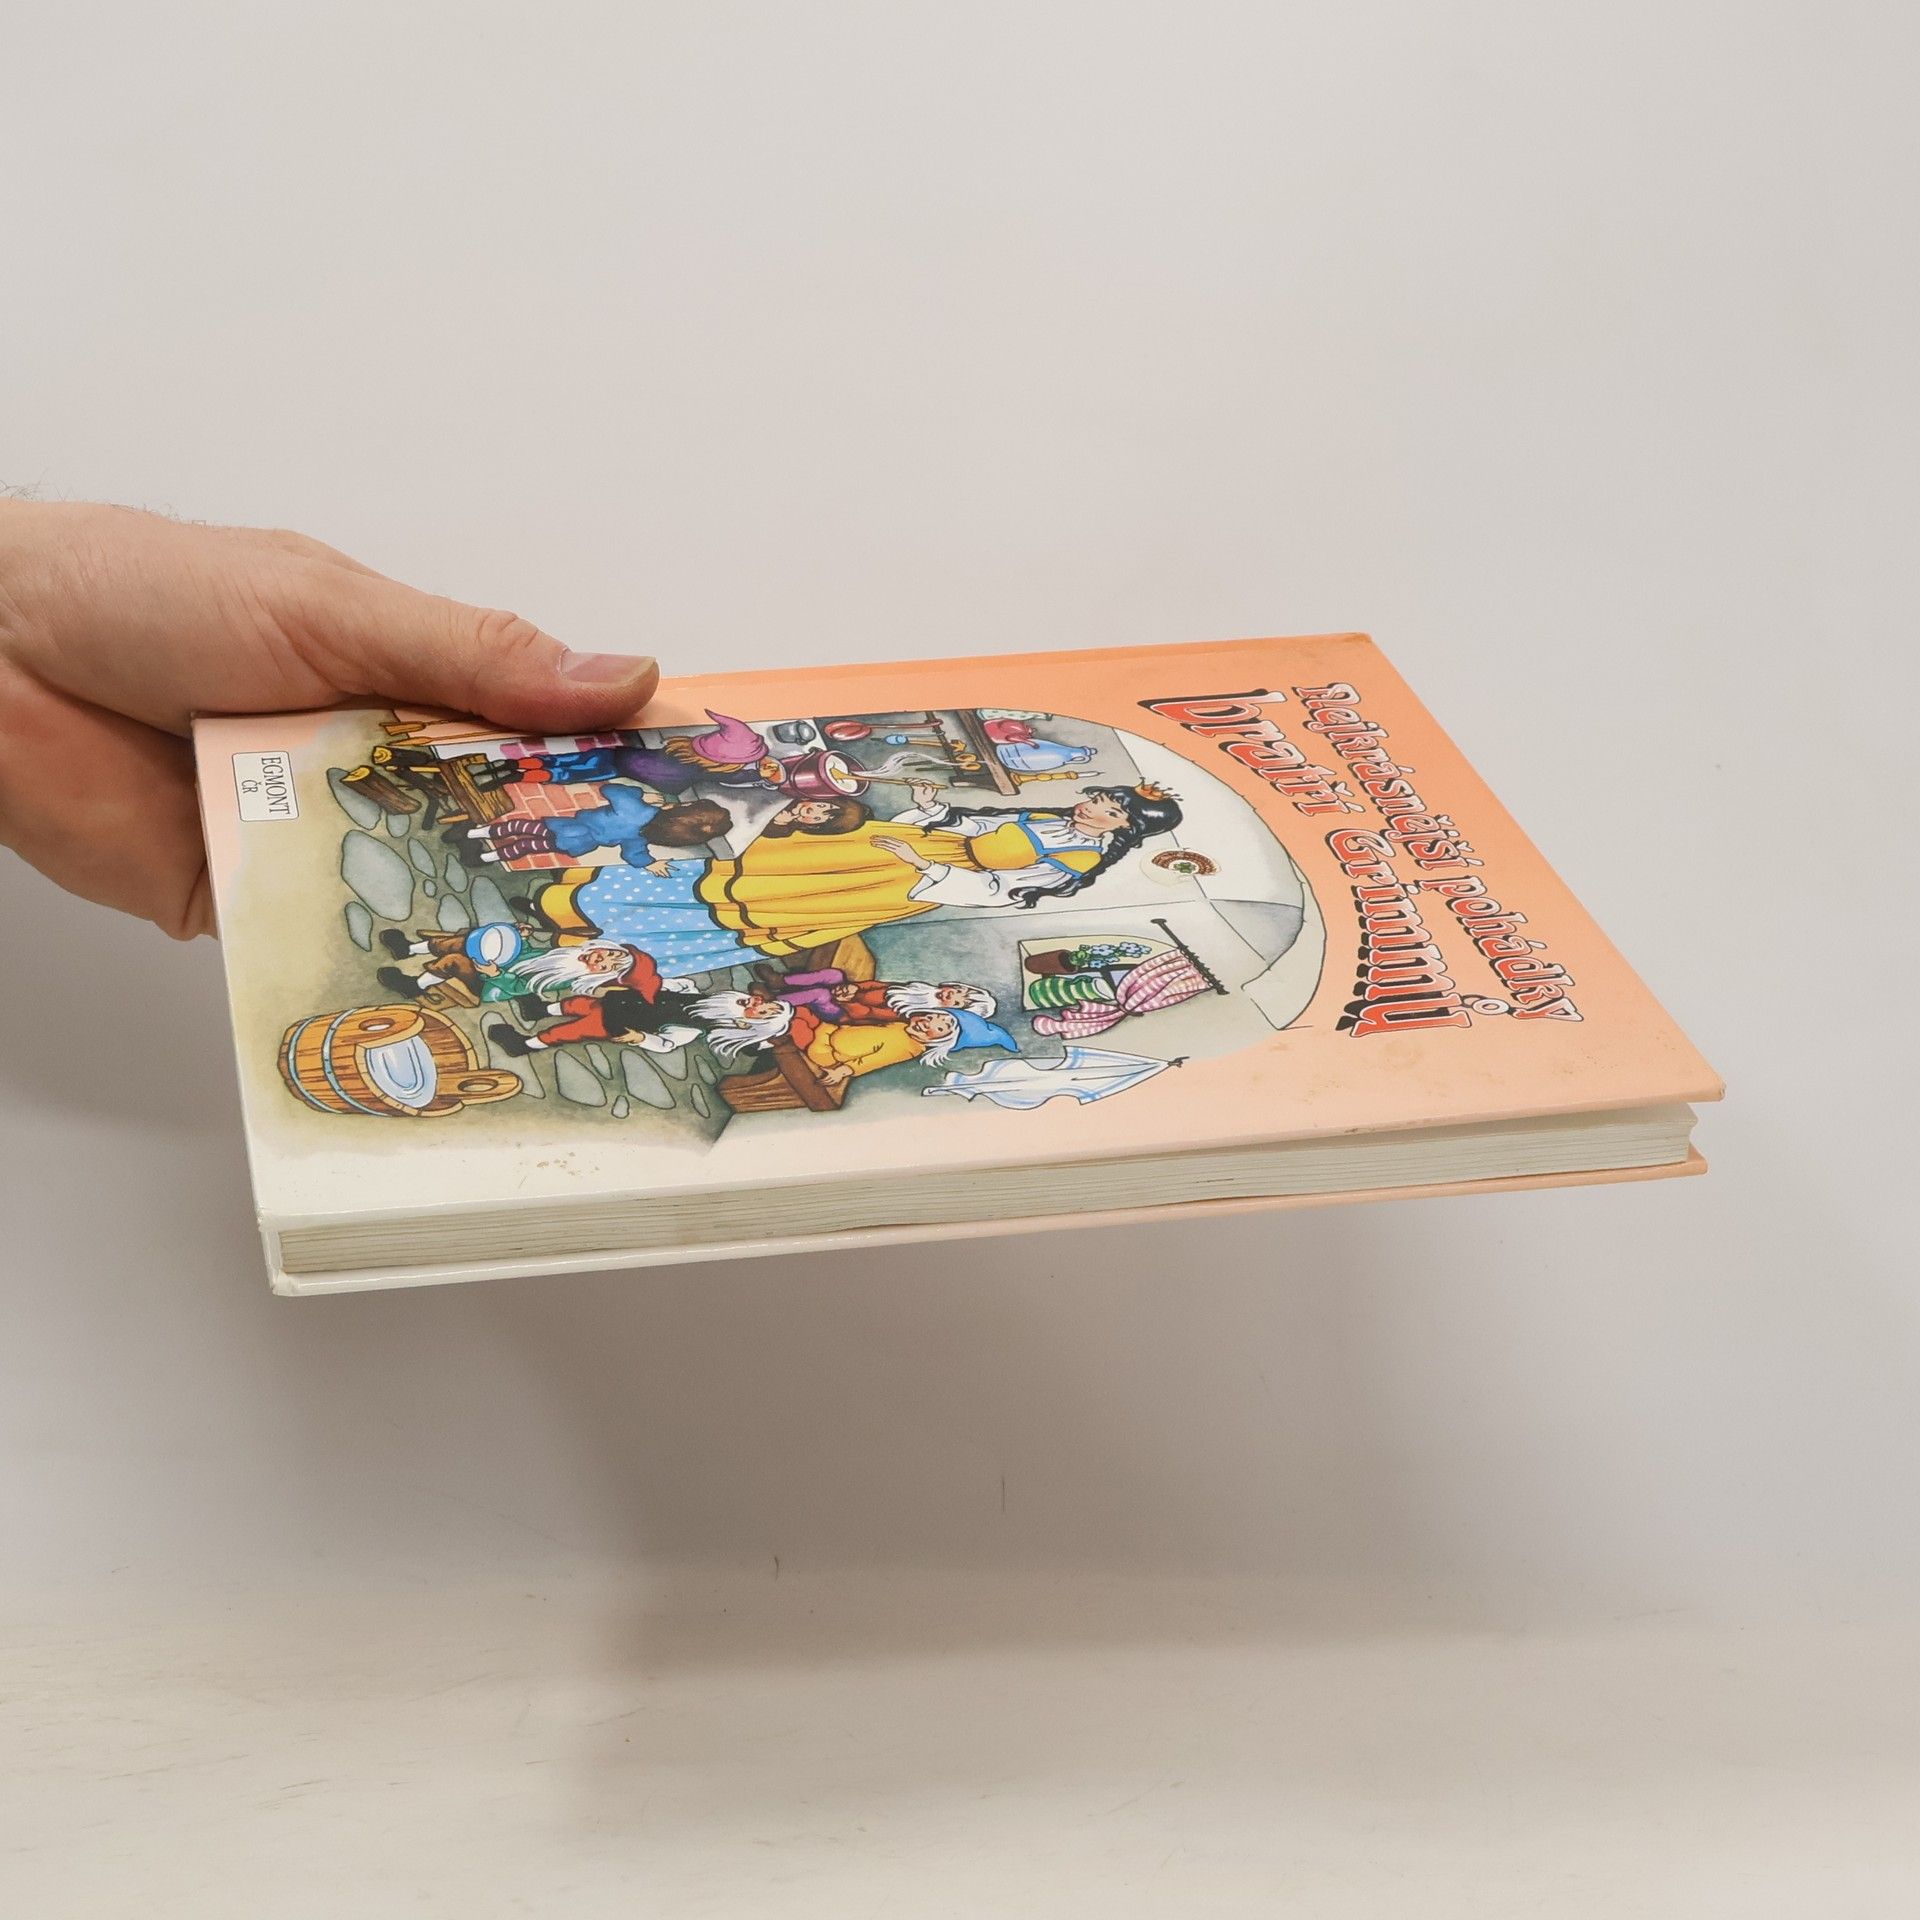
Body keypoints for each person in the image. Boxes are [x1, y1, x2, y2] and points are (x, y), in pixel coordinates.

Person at [0, 500, 660, 938]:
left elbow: (624, 835)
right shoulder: (632, 807)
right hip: (539, 807)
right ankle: (478, 841)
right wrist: (20, 589)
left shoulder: (634, 826)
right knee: (502, 828)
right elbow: (614, 811)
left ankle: (479, 844)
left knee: (503, 835)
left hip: (550, 824)